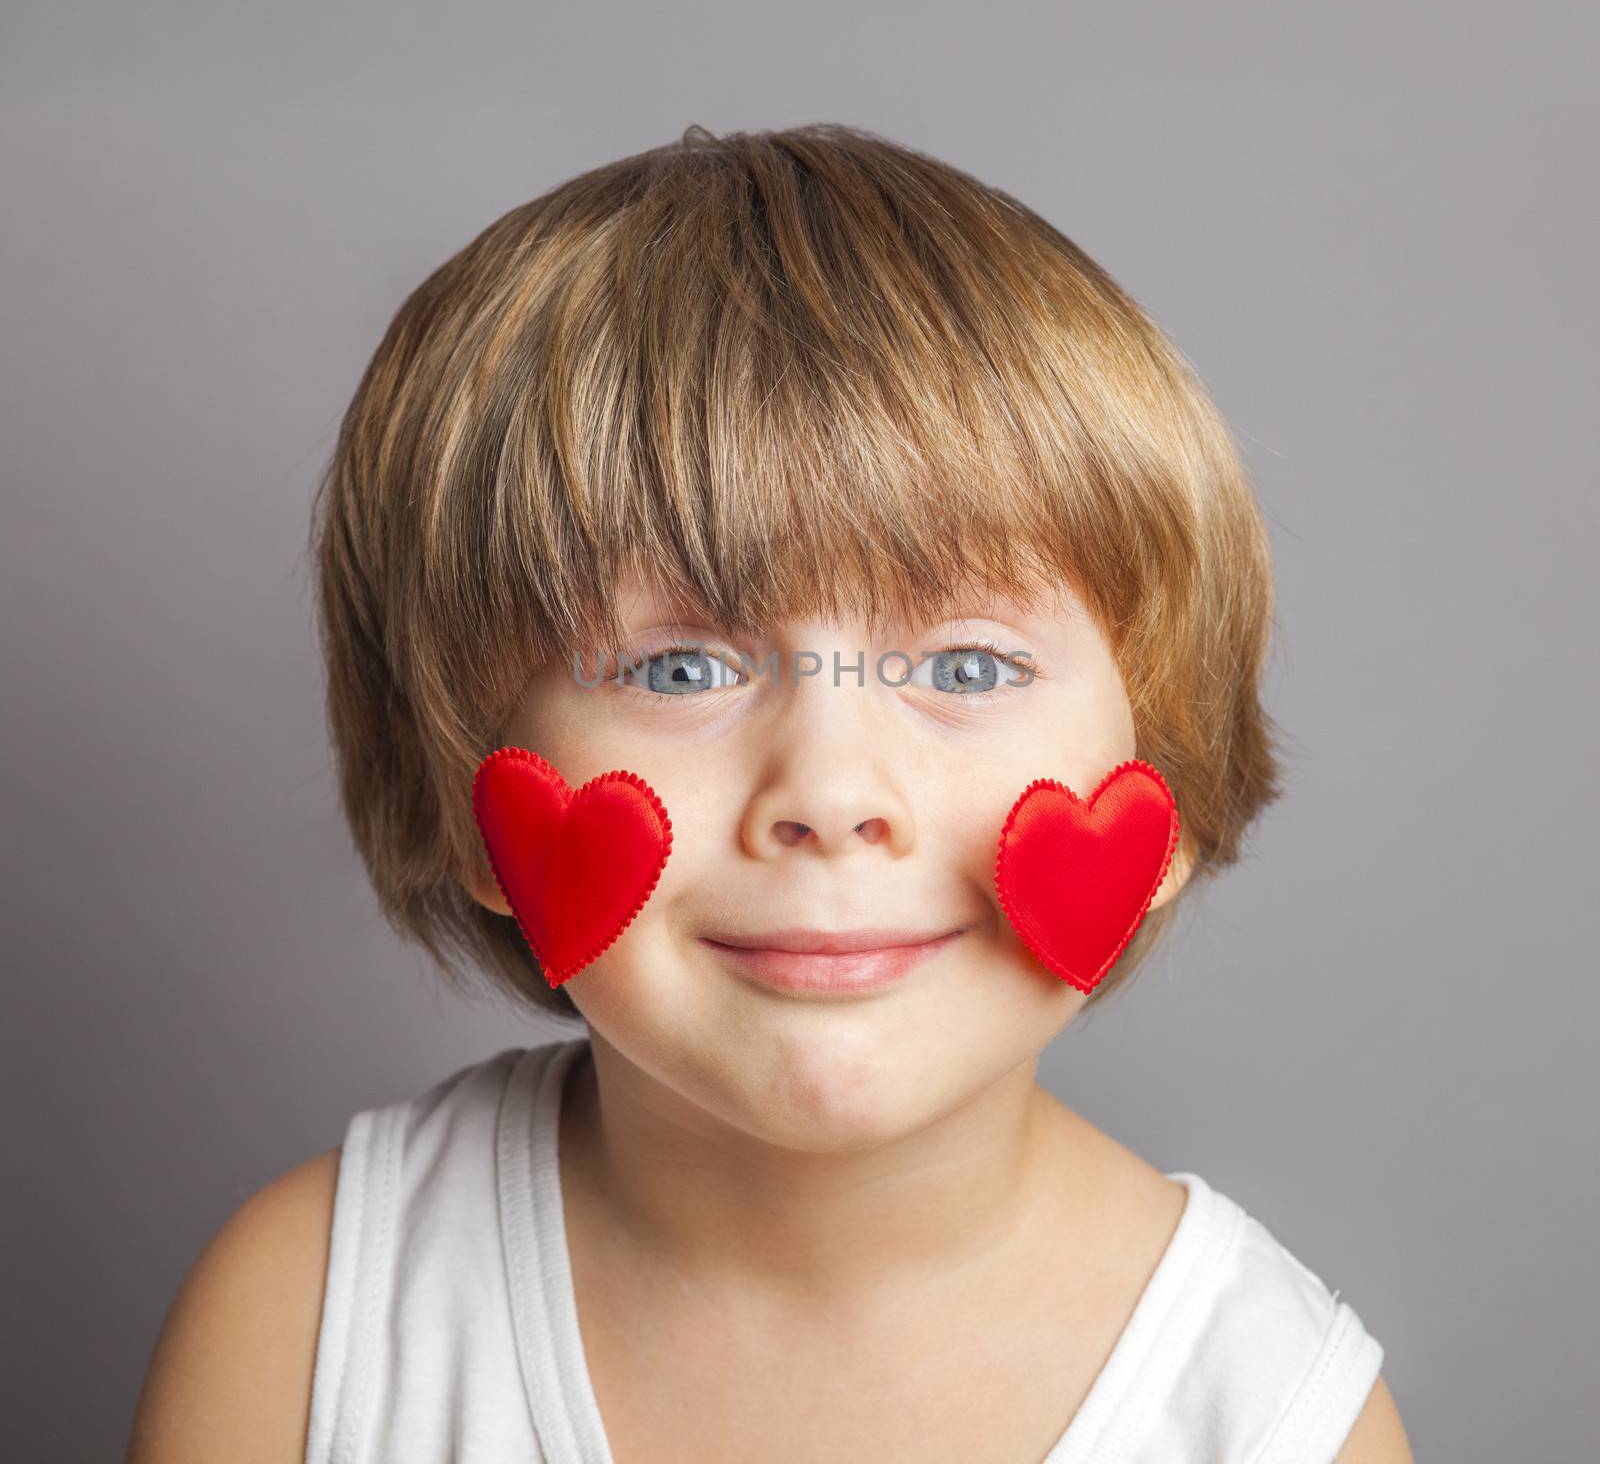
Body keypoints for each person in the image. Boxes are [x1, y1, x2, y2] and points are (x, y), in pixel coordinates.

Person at [128, 123, 1414, 1462]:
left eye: (967, 663)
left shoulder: (1276, 1416)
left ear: (1171, 794)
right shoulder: (309, 1321)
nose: (832, 792)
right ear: (466, 799)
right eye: (681, 666)